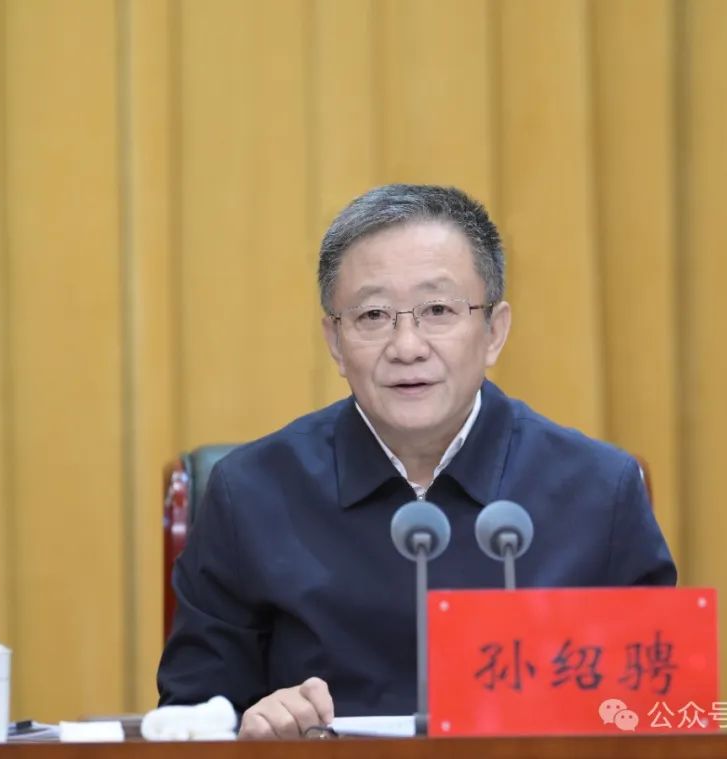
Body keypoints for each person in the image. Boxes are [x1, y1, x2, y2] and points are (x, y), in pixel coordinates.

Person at [156, 184, 676, 738]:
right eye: (373, 315)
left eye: (437, 310)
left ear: (494, 331)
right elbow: (191, 717)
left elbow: (657, 716)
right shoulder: (252, 494)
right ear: (335, 341)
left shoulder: (599, 493)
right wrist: (255, 724)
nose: (407, 346)